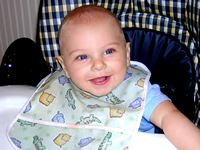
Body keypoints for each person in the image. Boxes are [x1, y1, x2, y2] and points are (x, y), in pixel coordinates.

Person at [56, 5, 200, 150]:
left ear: (126, 54)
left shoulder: (139, 90)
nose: (98, 65)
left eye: (108, 51)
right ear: (65, 66)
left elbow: (168, 117)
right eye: (82, 57)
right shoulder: (57, 92)